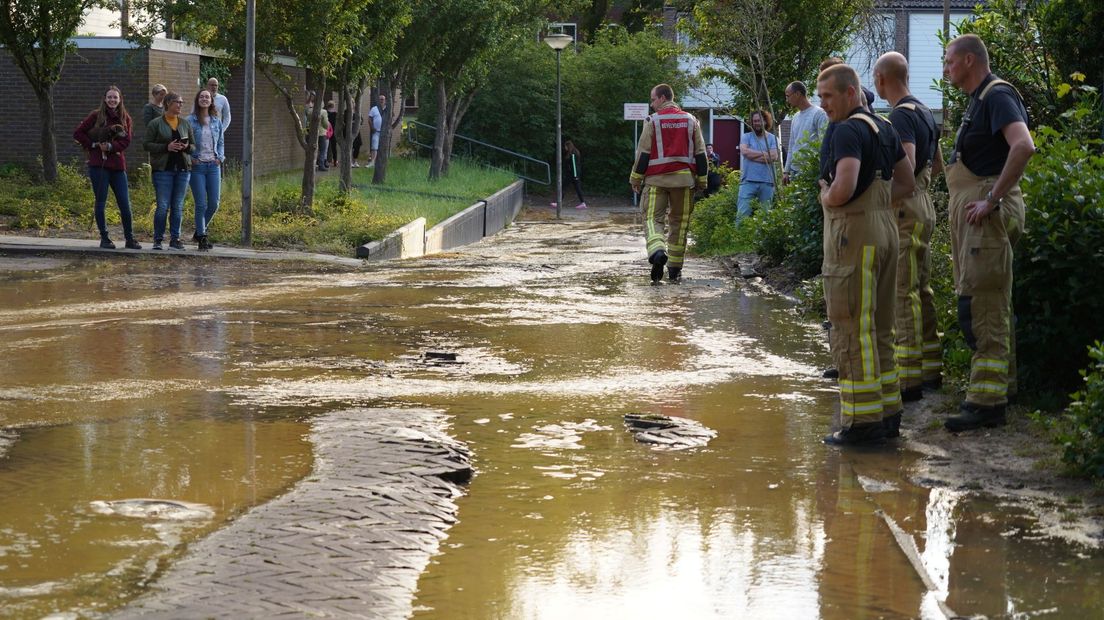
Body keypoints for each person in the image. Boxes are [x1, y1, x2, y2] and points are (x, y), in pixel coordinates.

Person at [816, 63, 915, 445]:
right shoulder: (885, 127)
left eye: (828, 96)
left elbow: (844, 184)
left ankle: (861, 423)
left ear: (851, 93)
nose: (824, 104)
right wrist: (875, 208)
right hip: (885, 230)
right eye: (821, 96)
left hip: (852, 236)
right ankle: (889, 414)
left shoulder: (846, 130)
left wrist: (829, 197)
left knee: (850, 326)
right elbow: (906, 181)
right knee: (880, 326)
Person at [941, 34, 1035, 432]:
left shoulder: (996, 95)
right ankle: (1002, 387)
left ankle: (986, 402)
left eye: (948, 61)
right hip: (978, 215)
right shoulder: (978, 100)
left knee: (982, 305)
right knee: (989, 301)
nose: (945, 68)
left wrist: (992, 200)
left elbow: (1024, 146)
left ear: (967, 60)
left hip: (988, 216)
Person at [873, 51, 945, 406]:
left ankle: (909, 379)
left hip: (905, 209)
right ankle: (931, 367)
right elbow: (939, 164)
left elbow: (908, 167)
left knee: (903, 291)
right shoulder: (925, 111)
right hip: (925, 205)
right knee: (922, 288)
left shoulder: (900, 115)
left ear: (882, 79)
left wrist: (878, 202)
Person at [629, 83, 708, 284]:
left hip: (656, 182)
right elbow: (701, 154)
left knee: (651, 219)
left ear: (663, 98)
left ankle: (657, 252)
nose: (652, 104)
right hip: (684, 183)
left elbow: (643, 154)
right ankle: (674, 270)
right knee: (679, 224)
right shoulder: (691, 121)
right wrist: (701, 180)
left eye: (653, 99)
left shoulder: (652, 121)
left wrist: (635, 178)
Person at [73, 85, 141, 250]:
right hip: (99, 166)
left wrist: (110, 147)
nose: (112, 100)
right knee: (101, 202)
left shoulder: (125, 118)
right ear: (105, 99)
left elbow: (126, 141)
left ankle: (129, 238)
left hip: (118, 166)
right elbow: (78, 133)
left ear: (120, 99)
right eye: (109, 97)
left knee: (125, 203)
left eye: (115, 97)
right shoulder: (96, 116)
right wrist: (94, 145)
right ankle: (104, 238)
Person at [145, 91, 194, 251]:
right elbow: (147, 145)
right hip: (163, 170)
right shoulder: (156, 123)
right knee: (162, 206)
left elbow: (194, 146)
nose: (180, 105)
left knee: (178, 205)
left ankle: (175, 239)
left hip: (182, 169)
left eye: (181, 102)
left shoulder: (185, 124)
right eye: (177, 102)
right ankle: (158, 240)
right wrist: (167, 147)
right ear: (168, 103)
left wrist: (187, 147)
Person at [186, 88, 226, 251]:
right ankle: (202, 236)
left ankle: (198, 231)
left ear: (211, 101)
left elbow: (221, 142)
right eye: (201, 97)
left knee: (214, 203)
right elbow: (185, 142)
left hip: (213, 166)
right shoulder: (190, 120)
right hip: (197, 166)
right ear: (197, 100)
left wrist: (220, 158)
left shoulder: (216, 121)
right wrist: (190, 158)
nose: (204, 99)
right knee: (201, 204)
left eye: (207, 97)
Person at [782, 81, 828, 184]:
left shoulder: (819, 114)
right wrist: (786, 171)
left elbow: (824, 145)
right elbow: (791, 145)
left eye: (788, 96)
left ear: (798, 94)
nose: (787, 100)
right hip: (794, 172)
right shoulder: (795, 117)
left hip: (810, 172)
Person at [736, 110, 779, 220]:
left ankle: (761, 238)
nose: (756, 123)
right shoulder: (746, 137)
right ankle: (740, 237)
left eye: (759, 120)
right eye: (754, 121)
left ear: (765, 121)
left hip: (767, 182)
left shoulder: (773, 139)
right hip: (748, 181)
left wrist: (752, 154)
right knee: (742, 215)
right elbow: (745, 152)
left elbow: (774, 157)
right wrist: (765, 154)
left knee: (764, 217)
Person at [303, 92, 330, 171]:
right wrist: (327, 124)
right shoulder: (324, 112)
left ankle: (311, 165)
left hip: (311, 133)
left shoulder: (309, 111)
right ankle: (321, 165)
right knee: (322, 150)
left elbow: (307, 123)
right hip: (321, 134)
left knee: (312, 150)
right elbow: (325, 124)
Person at [562, 140, 587, 209]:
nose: (565, 148)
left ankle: (559, 202)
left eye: (565, 146)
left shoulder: (573, 154)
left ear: (568, 146)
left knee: (564, 187)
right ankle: (583, 203)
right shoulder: (573, 153)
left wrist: (575, 176)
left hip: (572, 174)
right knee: (577, 188)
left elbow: (574, 165)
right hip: (573, 174)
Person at [367, 94, 385, 166]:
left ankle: (381, 162)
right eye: (380, 99)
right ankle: (373, 162)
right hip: (376, 131)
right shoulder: (374, 109)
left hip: (384, 132)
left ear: (385, 100)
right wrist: (372, 127)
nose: (381, 100)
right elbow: (369, 119)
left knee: (383, 147)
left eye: (382, 99)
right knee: (374, 146)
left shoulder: (386, 108)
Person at [325, 100, 338, 168]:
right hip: (333, 132)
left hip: (326, 131)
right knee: (333, 147)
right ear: (333, 106)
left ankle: (326, 161)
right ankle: (335, 161)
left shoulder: (325, 113)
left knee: (326, 147)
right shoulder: (335, 114)